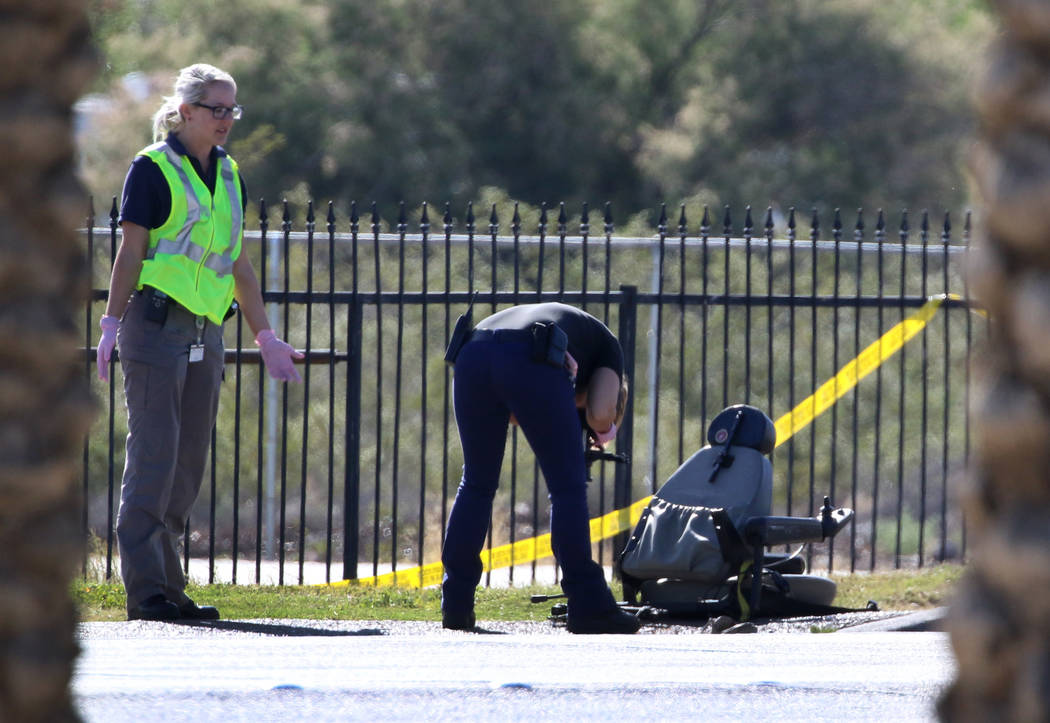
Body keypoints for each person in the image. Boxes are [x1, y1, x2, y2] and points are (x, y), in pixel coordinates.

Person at [95, 63, 303, 621]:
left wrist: (266, 335)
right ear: (185, 112)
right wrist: (111, 324)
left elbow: (238, 263)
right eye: (217, 109)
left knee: (186, 466)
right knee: (154, 459)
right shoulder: (153, 168)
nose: (227, 119)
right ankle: (147, 595)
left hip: (206, 334)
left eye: (232, 109)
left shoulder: (230, 175)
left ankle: (171, 586)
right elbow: (131, 252)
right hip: (156, 327)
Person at [441, 302, 640, 634]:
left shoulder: (575, 330)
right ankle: (589, 605)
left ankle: (456, 603)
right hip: (530, 355)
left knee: (476, 483)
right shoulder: (608, 346)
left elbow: (515, 411)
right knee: (566, 489)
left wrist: (561, 396)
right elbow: (603, 412)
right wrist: (601, 430)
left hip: (471, 353)